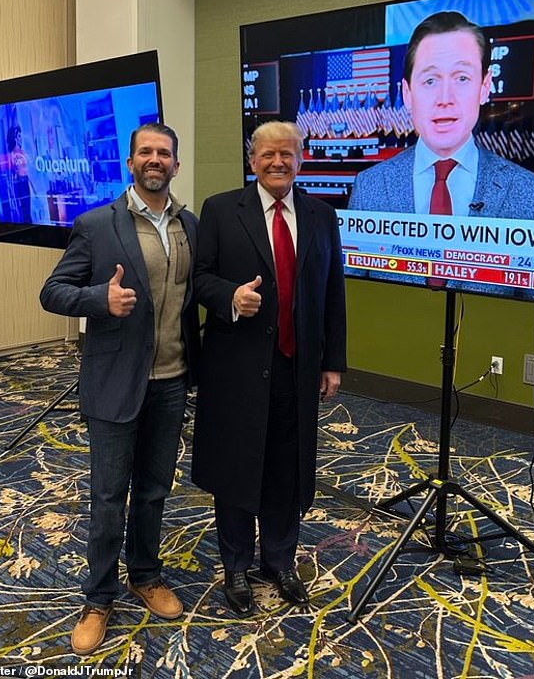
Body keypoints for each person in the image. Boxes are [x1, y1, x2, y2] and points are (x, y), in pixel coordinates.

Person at [40, 122, 200, 655]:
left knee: (154, 489)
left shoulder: (189, 225)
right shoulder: (96, 224)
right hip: (114, 382)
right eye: (146, 152)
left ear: (175, 165)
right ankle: (99, 597)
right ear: (131, 163)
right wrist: (97, 301)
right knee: (109, 498)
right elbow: (53, 291)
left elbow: (197, 292)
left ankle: (145, 574)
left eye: (165, 153)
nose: (156, 160)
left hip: (171, 380)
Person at [191, 120, 347, 616]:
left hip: (296, 367)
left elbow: (332, 294)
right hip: (236, 365)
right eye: (267, 155)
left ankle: (279, 561)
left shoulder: (322, 216)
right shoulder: (219, 210)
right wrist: (230, 297)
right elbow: (197, 280)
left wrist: (332, 362)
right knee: (238, 464)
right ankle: (235, 565)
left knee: (287, 466)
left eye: (287, 154)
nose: (277, 163)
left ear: (300, 159)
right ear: (251, 159)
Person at [348, 11, 534, 299]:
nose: (445, 98)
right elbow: (354, 303)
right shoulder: (369, 187)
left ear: (485, 87)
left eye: (461, 77)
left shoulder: (530, 195)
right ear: (408, 93)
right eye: (430, 80)